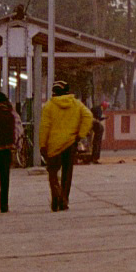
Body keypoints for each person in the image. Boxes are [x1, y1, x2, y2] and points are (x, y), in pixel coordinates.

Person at [39, 80, 93, 211]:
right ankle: (64, 200)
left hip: (53, 146)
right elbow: (88, 116)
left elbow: (44, 127)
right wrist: (80, 134)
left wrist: (42, 145)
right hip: (70, 143)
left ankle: (56, 195)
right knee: (67, 174)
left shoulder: (48, 106)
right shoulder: (77, 104)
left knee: (52, 173)